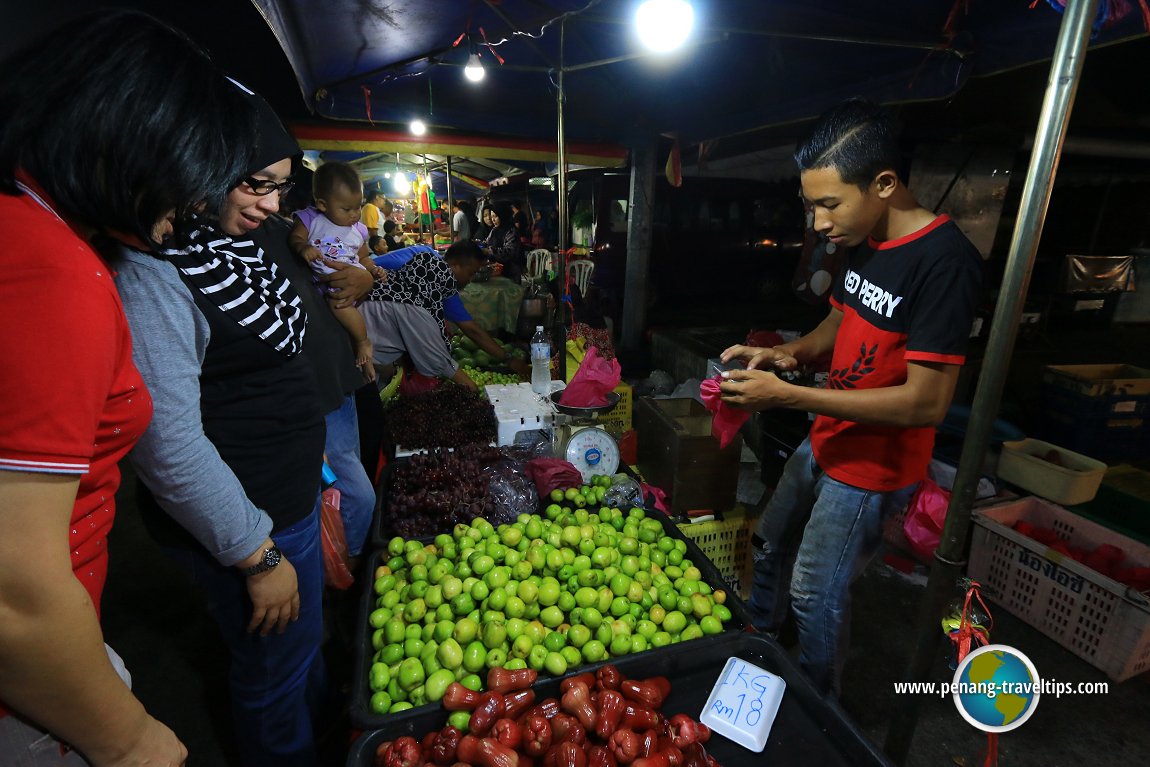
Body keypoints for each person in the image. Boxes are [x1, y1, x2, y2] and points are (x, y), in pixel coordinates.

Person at [0, 9, 260, 766]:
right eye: (190, 174)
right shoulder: (53, 271)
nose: (193, 205)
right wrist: (130, 738)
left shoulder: (34, 236)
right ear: (132, 138)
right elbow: (16, 596)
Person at [718, 98, 982, 697]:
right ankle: (760, 643)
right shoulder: (866, 239)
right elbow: (838, 326)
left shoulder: (945, 264)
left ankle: (818, 703)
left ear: (884, 183)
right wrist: (791, 356)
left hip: (872, 469)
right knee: (768, 542)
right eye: (811, 205)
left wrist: (788, 397)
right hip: (828, 440)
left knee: (816, 590)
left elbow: (924, 404)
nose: (817, 223)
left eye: (829, 204)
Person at [115, 85, 342, 767]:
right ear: (203, 168)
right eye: (256, 184)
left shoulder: (241, 240)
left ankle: (329, 739)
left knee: (300, 649)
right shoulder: (155, 267)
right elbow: (169, 445)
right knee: (273, 668)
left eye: (280, 187)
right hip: (253, 517)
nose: (272, 204)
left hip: (288, 493)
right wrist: (257, 554)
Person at [376, 241, 530, 378]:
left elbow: (471, 329)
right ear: (455, 264)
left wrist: (508, 359)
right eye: (470, 273)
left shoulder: (445, 288)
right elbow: (368, 265)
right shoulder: (421, 258)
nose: (470, 281)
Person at [289, 161, 381, 380]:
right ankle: (365, 360)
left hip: (348, 286)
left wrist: (373, 270)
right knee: (342, 322)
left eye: (358, 206)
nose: (355, 214)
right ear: (322, 204)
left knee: (340, 308)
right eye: (346, 209)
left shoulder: (358, 229)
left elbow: (364, 256)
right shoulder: (310, 219)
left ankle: (363, 343)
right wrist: (303, 247)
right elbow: (296, 238)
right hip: (327, 285)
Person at [360, 245, 482, 391]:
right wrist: (474, 389)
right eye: (471, 273)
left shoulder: (397, 286)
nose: (470, 279)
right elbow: (438, 361)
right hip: (350, 359)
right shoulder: (415, 308)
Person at [485, 202, 525, 281]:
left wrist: (489, 251)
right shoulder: (494, 230)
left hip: (510, 273)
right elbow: (487, 243)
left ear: (503, 215)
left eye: (495, 216)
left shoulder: (511, 232)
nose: (492, 219)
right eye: (492, 216)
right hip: (496, 271)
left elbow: (509, 253)